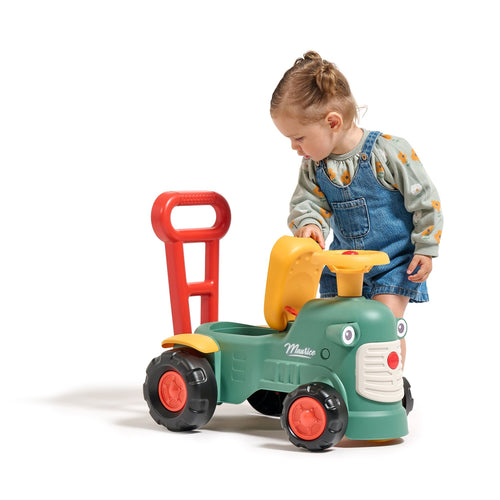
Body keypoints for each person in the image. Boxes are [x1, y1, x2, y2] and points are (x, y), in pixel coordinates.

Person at [270, 51, 443, 365]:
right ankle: (347, 382)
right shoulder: (314, 166)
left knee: (382, 326)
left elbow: (424, 199)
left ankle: (388, 384)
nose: (295, 148)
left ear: (332, 122)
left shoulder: (388, 152)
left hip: (393, 263)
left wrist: (426, 247)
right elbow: (307, 201)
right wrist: (309, 223)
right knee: (339, 332)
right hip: (344, 268)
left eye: (299, 138)